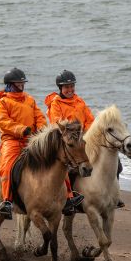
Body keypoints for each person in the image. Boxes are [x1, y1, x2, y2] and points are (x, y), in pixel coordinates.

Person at [0, 68, 47, 220]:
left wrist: (42, 130)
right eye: (19, 82)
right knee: (7, 167)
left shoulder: (30, 99)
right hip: (12, 140)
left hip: (31, 139)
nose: (22, 84)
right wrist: (21, 129)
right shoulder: (3, 102)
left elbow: (40, 116)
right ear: (11, 84)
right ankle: (7, 201)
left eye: (23, 82)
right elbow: (4, 122)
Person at [44, 69, 94, 215]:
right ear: (60, 88)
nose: (70, 89)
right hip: (65, 141)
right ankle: (68, 198)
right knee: (68, 168)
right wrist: (74, 134)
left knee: (111, 161)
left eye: (72, 86)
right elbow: (57, 122)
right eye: (66, 87)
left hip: (82, 139)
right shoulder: (55, 103)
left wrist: (88, 134)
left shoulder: (80, 101)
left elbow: (90, 120)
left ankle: (110, 195)